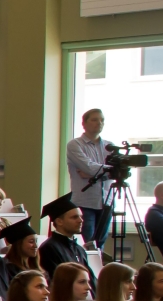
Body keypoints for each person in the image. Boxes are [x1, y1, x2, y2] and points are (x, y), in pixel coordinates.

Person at [66, 107, 113, 250]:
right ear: (84, 123)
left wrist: (93, 173)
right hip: (85, 202)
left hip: (106, 201)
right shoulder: (75, 144)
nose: (99, 123)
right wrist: (104, 171)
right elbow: (88, 167)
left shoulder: (109, 146)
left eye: (102, 120)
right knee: (86, 243)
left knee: (100, 244)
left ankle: (97, 265)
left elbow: (115, 170)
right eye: (94, 120)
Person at [37, 194, 87, 277]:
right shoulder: (49, 248)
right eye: (75, 217)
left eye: (81, 217)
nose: (80, 220)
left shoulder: (79, 249)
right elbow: (57, 279)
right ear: (59, 221)